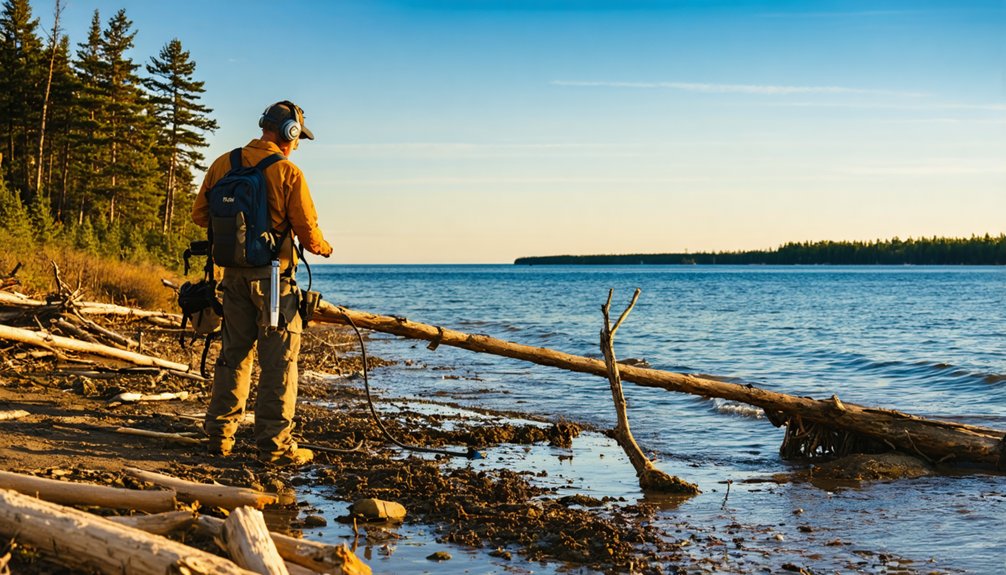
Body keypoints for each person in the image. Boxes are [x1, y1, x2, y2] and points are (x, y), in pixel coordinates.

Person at [192, 100, 332, 466]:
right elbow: (308, 232)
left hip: (232, 278)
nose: (298, 143)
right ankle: (274, 446)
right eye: (298, 136)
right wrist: (323, 247)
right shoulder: (289, 173)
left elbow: (199, 214)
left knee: (233, 357)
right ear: (289, 133)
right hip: (273, 282)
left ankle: (219, 438)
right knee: (279, 364)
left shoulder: (225, 162)